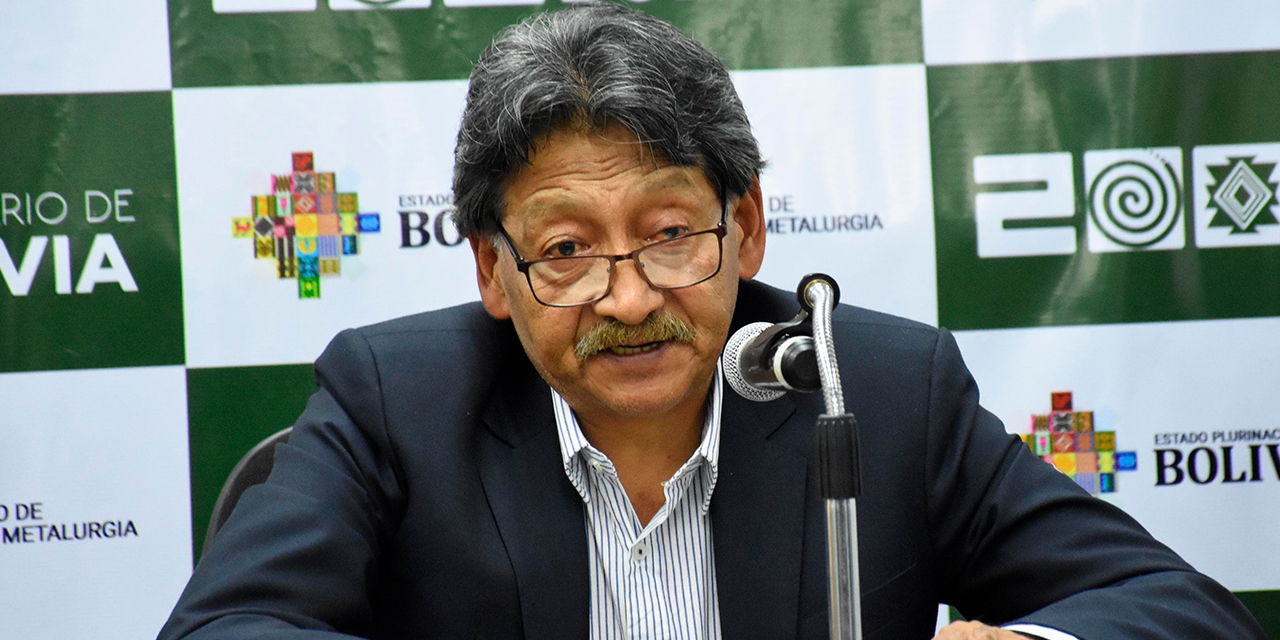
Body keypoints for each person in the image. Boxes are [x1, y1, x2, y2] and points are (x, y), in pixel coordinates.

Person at [158, 4, 1266, 640]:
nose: (628, 298)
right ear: (494, 275)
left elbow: (1180, 609)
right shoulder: (395, 398)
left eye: (669, 232)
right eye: (565, 251)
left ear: (744, 229)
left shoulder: (874, 387)